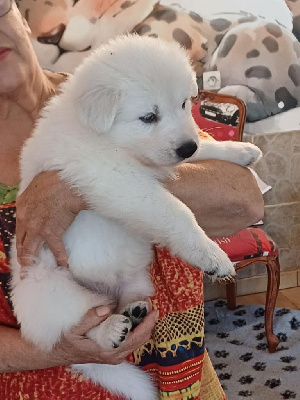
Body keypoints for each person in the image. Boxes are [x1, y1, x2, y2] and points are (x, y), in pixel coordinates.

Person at [0, 1, 264, 399]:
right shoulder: (98, 105)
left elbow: (242, 201)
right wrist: (64, 346)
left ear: (20, 14)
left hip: (177, 364)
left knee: (133, 284)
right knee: (49, 293)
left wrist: (75, 188)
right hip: (43, 361)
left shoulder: (128, 84)